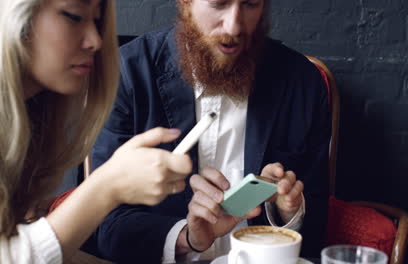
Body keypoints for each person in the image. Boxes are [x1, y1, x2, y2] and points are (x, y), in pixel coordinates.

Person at [91, 0, 331, 262]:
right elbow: (107, 226)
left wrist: (287, 213)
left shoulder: (302, 82)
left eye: (251, 4)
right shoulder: (128, 74)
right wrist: (187, 238)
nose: (235, 26)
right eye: (219, 3)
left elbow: (318, 221)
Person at [0, 0, 192, 263]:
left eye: (97, 21)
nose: (95, 41)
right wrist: (106, 187)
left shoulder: (34, 118)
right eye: (74, 16)